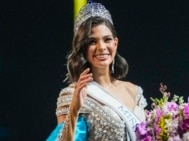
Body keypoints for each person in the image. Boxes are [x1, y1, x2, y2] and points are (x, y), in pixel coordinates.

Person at [46, 1, 147, 141]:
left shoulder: (134, 91)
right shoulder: (72, 94)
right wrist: (74, 109)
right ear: (83, 48)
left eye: (107, 40)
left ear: (115, 44)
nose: (101, 47)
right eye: (92, 41)